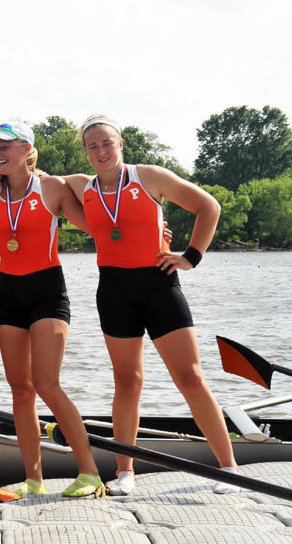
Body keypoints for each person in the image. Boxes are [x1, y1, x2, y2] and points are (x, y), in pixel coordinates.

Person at [64, 114, 239, 495]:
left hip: (159, 286)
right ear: (86, 152)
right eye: (92, 145)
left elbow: (209, 207)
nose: (100, 150)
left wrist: (190, 256)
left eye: (106, 142)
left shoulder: (149, 177)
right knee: (127, 381)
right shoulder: (81, 187)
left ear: (120, 144)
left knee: (190, 377)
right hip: (113, 291)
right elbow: (32, 177)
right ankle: (125, 472)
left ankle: (229, 468)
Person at [0, 121, 103, 497]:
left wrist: (152, 231)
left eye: (6, 147)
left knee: (47, 383)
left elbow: (96, 225)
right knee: (20, 389)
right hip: (9, 292)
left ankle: (90, 473)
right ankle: (33, 480)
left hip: (48, 291)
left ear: (26, 147)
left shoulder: (52, 187)